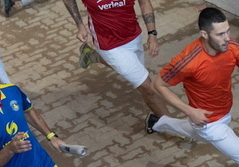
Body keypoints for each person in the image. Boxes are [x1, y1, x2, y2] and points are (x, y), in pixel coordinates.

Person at [149, 7, 239, 165]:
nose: (227, 38)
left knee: (193, 131)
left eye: (228, 31)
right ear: (204, 34)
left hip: (225, 109)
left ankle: (156, 122)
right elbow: (158, 84)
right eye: (220, 34)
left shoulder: (231, 46)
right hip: (208, 123)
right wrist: (190, 111)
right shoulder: (189, 61)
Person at [61, 0, 168, 132]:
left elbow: (144, 3)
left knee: (141, 84)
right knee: (149, 88)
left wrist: (152, 34)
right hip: (108, 45)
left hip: (134, 36)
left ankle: (92, 56)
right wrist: (79, 24)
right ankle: (174, 127)